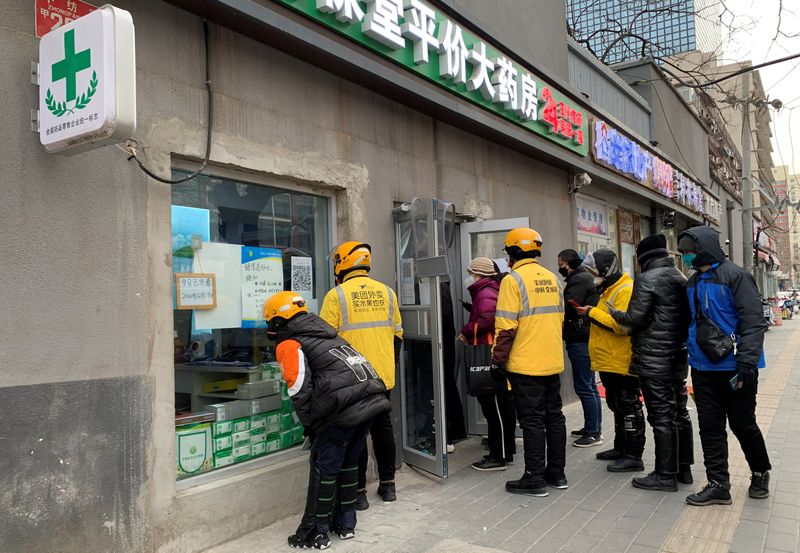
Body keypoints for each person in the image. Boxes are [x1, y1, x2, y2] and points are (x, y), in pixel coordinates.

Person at [264, 291, 392, 549]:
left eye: (269, 322)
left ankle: (315, 532)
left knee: (324, 467)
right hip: (369, 402)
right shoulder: (327, 335)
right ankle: (345, 524)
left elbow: (299, 387)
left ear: (278, 321)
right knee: (347, 463)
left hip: (343, 409)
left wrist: (311, 425)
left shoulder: (290, 342)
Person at [677, 226, 771, 506]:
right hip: (703, 369)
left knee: (743, 425)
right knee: (710, 427)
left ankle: (760, 471)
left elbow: (754, 322)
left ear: (703, 248)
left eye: (688, 251)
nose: (685, 256)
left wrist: (747, 363)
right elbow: (689, 324)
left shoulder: (736, 276)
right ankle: (718, 483)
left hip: (736, 368)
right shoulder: (692, 282)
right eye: (683, 252)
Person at [607, 234, 694, 492]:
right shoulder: (679, 276)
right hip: (677, 356)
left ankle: (665, 475)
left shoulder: (647, 279)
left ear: (643, 257)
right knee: (680, 412)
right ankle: (683, 468)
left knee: (661, 416)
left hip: (654, 359)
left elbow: (634, 319)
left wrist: (614, 313)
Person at [320, 241, 403, 510]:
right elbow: (398, 336)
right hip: (382, 376)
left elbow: (325, 341)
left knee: (356, 434)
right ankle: (388, 485)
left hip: (352, 379)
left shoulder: (337, 295)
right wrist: (388, 366)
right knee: (382, 428)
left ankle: (358, 492)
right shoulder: (388, 293)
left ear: (343, 263)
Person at [492, 228, 567, 497]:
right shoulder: (552, 278)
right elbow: (559, 319)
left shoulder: (513, 281)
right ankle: (557, 474)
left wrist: (497, 361)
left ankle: (534, 478)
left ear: (512, 252)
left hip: (526, 363)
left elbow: (506, 328)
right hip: (551, 360)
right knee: (554, 418)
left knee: (532, 421)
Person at [576, 250, 645, 473]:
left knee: (629, 407)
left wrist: (591, 313)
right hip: (609, 362)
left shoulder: (625, 290)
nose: (591, 276)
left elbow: (622, 326)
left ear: (607, 270)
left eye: (594, 272)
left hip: (622, 362)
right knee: (616, 406)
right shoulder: (609, 290)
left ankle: (633, 456)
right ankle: (621, 448)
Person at [458, 257, 516, 471]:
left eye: (470, 272)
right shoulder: (490, 290)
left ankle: (498, 456)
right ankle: (505, 450)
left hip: (490, 355)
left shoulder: (485, 292)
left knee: (495, 409)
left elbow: (487, 320)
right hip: (495, 354)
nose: (468, 277)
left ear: (478, 274)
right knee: (499, 407)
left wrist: (466, 331)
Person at [558, 249, 602, 448]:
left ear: (568, 263)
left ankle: (593, 432)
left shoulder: (578, 280)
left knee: (584, 386)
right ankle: (592, 427)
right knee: (590, 386)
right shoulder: (585, 277)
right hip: (585, 336)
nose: (560, 267)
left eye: (561, 263)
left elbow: (570, 306)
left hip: (580, 338)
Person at [440, 279, 468, 452]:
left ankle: (449, 434)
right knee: (447, 387)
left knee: (445, 388)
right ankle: (452, 432)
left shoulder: (439, 287)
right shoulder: (441, 287)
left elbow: (443, 320)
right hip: (444, 346)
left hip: (442, 348)